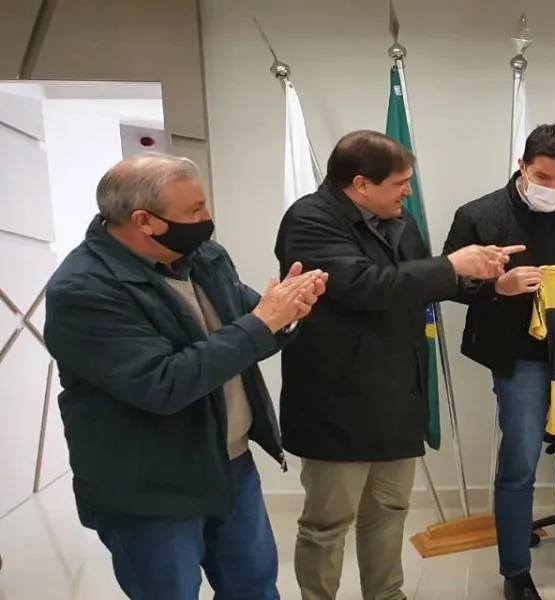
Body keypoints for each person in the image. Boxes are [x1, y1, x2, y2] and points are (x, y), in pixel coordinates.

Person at [43, 152, 327, 600]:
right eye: (194, 210)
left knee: (255, 588)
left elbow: (248, 326)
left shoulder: (205, 256)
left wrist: (289, 312)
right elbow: (163, 383)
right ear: (144, 221)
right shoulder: (83, 289)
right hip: (149, 488)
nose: (206, 218)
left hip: (230, 465)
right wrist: (263, 321)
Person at [275, 130, 517, 600]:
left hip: (398, 392)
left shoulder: (398, 219)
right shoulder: (309, 219)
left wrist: (487, 282)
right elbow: (363, 285)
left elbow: (417, 281)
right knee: (328, 522)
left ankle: (387, 595)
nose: (408, 192)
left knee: (389, 510)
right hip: (336, 399)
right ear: (361, 184)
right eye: (399, 183)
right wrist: (452, 265)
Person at [443, 124, 555, 600]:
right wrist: (496, 287)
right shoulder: (478, 214)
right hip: (519, 354)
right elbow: (446, 279)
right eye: (544, 177)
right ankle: (515, 570)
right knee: (520, 463)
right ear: (522, 167)